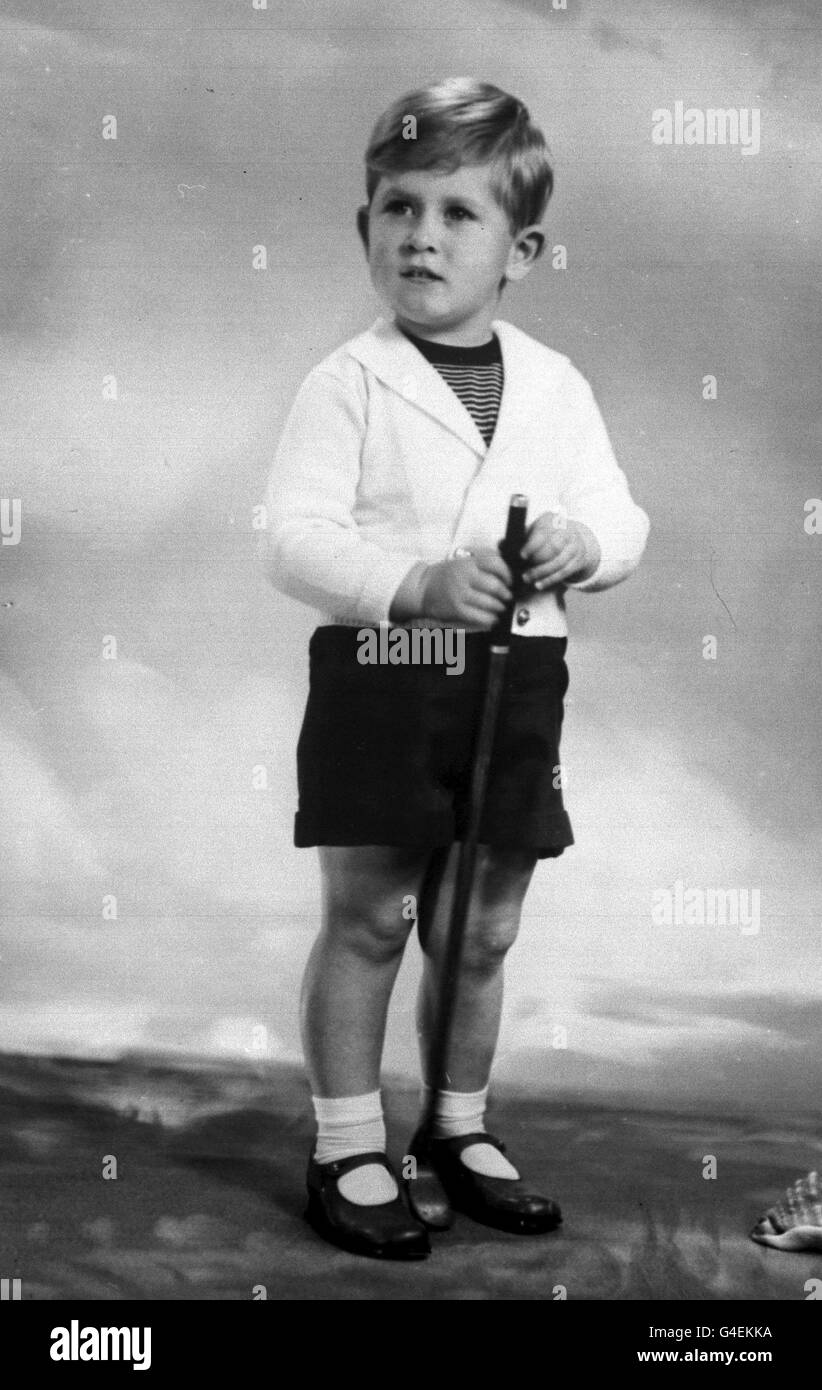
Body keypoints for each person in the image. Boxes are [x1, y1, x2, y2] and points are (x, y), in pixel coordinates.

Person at [259, 77, 650, 1259]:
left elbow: (621, 520)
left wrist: (585, 546)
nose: (420, 234)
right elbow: (290, 537)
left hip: (517, 683)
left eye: (456, 214)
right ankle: (344, 1142)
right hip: (390, 669)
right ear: (366, 226)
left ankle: (457, 1127)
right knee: (374, 915)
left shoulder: (556, 386)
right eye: (397, 208)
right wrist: (417, 583)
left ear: (521, 249)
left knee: (479, 930)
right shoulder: (348, 382)